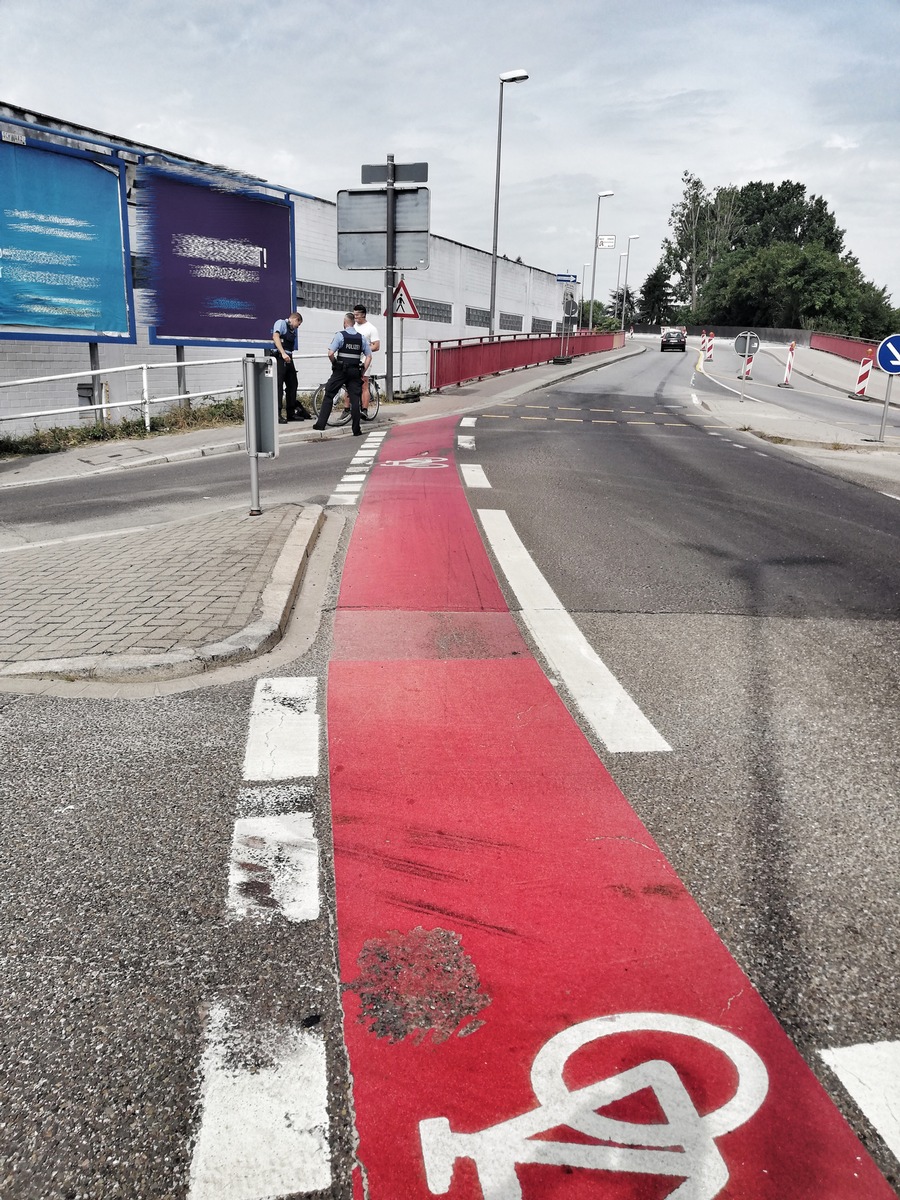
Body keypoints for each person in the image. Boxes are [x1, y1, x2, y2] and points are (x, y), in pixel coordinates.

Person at [312, 313, 372, 436]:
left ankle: (321, 424)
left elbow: (330, 353)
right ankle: (356, 430)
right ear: (353, 323)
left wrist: (335, 364)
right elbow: (369, 356)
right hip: (355, 371)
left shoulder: (340, 335)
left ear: (345, 323)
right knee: (355, 400)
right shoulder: (361, 338)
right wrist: (362, 371)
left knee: (329, 394)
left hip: (341, 371)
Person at [271, 311, 311, 422]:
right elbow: (275, 336)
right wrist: (283, 353)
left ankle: (291, 413)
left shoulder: (292, 330)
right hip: (280, 357)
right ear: (295, 319)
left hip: (289, 358)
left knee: (293, 384)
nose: (298, 326)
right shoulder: (281, 323)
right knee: (278, 386)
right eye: (299, 324)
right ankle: (277, 414)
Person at [352, 305, 380, 411]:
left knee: (364, 384)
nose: (355, 317)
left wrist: (363, 348)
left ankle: (364, 409)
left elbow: (376, 346)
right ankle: (347, 409)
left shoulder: (371, 328)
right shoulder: (352, 326)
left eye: (357, 315)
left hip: (365, 358)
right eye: (354, 315)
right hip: (353, 358)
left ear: (363, 314)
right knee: (349, 383)